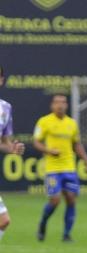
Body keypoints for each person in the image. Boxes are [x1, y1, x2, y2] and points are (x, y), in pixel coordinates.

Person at [33, 94, 87, 242]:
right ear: (52, 105)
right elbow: (36, 142)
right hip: (52, 169)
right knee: (55, 200)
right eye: (57, 102)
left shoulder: (72, 123)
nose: (60, 105)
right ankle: (43, 223)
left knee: (71, 199)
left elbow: (76, 144)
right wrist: (49, 151)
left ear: (67, 105)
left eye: (63, 102)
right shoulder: (44, 121)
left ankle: (66, 234)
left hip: (69, 168)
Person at [0, 66, 25, 242]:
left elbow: (5, 143)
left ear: (2, 80)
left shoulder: (5, 108)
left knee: (4, 221)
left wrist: (13, 149)